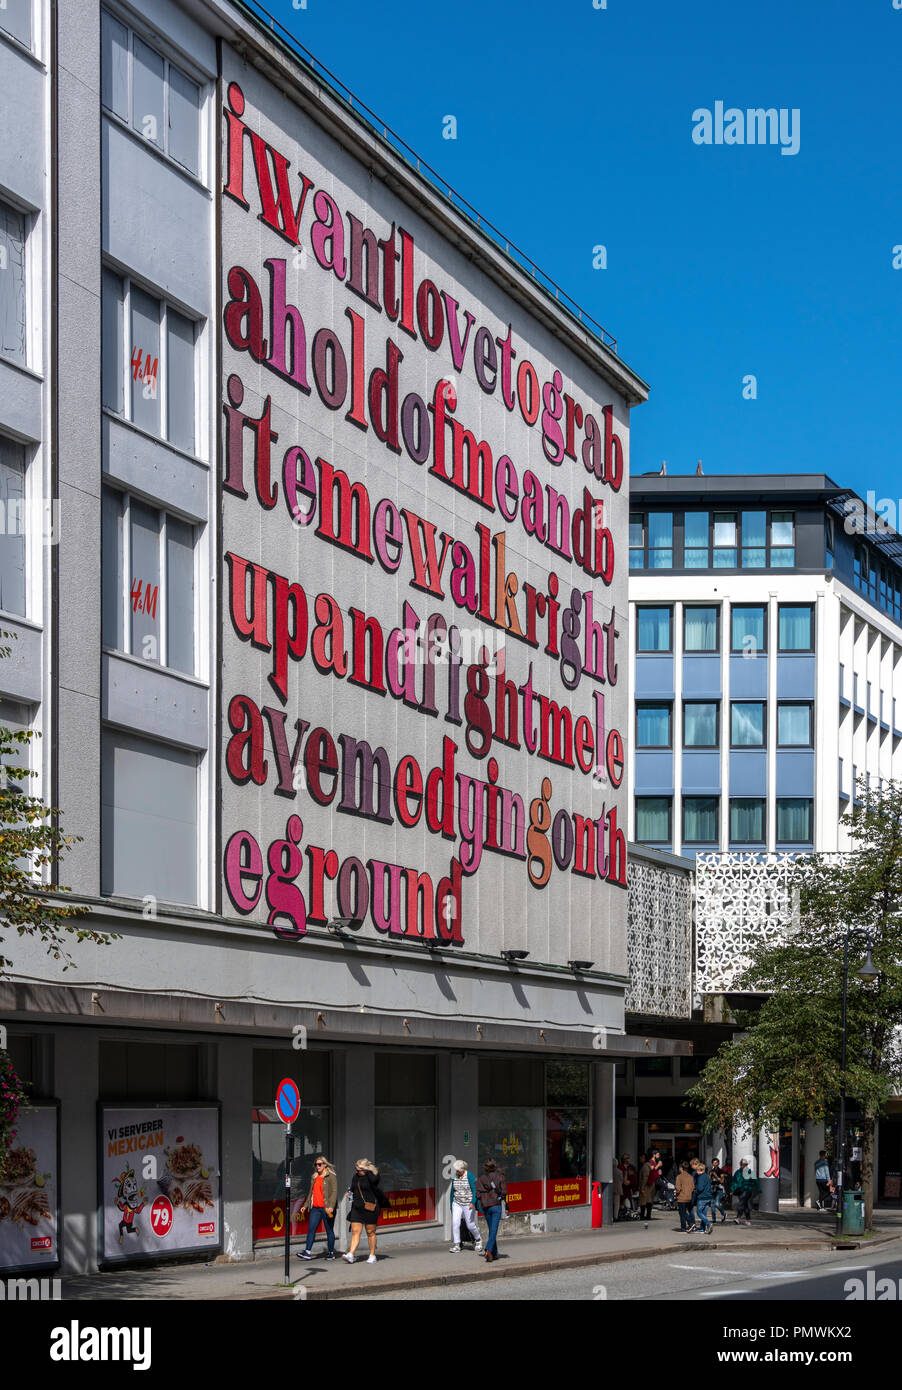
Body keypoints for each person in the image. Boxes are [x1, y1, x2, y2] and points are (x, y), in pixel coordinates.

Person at [344, 1158, 389, 1264]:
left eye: (359, 1169)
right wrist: (349, 1195)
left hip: (370, 1208)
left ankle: (372, 1255)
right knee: (355, 1231)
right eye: (356, 1168)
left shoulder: (372, 1177)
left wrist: (369, 1171)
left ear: (365, 1168)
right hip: (357, 1208)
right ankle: (351, 1254)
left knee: (370, 1232)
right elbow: (353, 1189)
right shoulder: (355, 1177)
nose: (357, 1171)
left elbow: (375, 1181)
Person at [298, 1155, 338, 1260]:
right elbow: (311, 1192)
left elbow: (334, 1192)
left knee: (329, 1230)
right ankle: (307, 1252)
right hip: (315, 1208)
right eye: (316, 1165)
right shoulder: (314, 1177)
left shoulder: (331, 1176)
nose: (317, 1166)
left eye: (319, 1164)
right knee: (311, 1229)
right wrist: (305, 1205)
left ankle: (331, 1252)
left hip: (326, 1208)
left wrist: (331, 1206)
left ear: (325, 1165)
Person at [475, 1159, 507, 1262]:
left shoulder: (481, 1179)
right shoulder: (500, 1177)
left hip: (485, 1206)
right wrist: (498, 1196)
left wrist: (483, 1198)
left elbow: (477, 1194)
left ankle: (494, 1253)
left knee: (491, 1230)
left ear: (485, 1168)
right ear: (495, 1167)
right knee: (494, 1230)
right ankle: (488, 1250)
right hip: (496, 1205)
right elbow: (504, 1192)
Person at [449, 1160, 483, 1253]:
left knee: (470, 1224)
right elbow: (452, 1191)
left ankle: (478, 1239)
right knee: (455, 1223)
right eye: (456, 1170)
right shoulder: (454, 1177)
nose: (457, 1172)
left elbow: (474, 1190)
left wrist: (473, 1202)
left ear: (463, 1169)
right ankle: (457, 1244)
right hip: (457, 1203)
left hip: (468, 1203)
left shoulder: (470, 1176)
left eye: (458, 1171)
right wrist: (451, 1204)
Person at [732, 1157, 761, 1226]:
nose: (743, 1166)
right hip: (740, 1190)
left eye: (745, 1164)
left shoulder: (750, 1172)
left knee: (741, 1203)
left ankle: (738, 1218)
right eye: (742, 1164)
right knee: (745, 1206)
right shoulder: (737, 1172)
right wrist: (732, 1189)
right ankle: (748, 1220)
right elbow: (734, 1181)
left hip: (748, 1190)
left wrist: (759, 1189)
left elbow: (755, 1181)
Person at [693, 1160, 713, 1233]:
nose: (696, 1172)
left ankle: (708, 1223)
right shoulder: (706, 1176)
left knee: (699, 1212)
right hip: (708, 1197)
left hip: (702, 1197)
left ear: (700, 1170)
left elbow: (700, 1188)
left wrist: (696, 1191)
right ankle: (702, 1228)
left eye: (697, 1170)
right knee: (704, 1213)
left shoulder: (701, 1177)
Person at [675, 1160, 695, 1232]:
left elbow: (678, 1188)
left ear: (681, 1168)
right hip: (689, 1197)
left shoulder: (679, 1177)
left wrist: (677, 1193)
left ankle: (685, 1226)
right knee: (684, 1212)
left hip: (681, 1197)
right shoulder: (691, 1177)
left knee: (682, 1213)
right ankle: (690, 1223)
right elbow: (693, 1187)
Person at [637, 1153, 654, 1220]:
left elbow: (645, 1177)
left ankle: (643, 1215)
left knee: (643, 1201)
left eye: (641, 1157)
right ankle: (648, 1215)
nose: (640, 1159)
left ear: (644, 1158)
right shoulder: (649, 1165)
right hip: (650, 1185)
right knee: (648, 1200)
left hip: (646, 1186)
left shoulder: (645, 1166)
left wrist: (642, 1187)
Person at [710, 1159, 727, 1224]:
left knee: (717, 1203)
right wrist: (710, 1175)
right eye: (714, 1163)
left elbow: (722, 1181)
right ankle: (714, 1219)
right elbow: (709, 1180)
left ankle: (724, 1213)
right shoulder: (711, 1171)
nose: (715, 1164)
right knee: (712, 1205)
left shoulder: (720, 1171)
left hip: (719, 1189)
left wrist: (716, 1175)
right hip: (712, 1189)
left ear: (718, 1163)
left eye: (716, 1163)